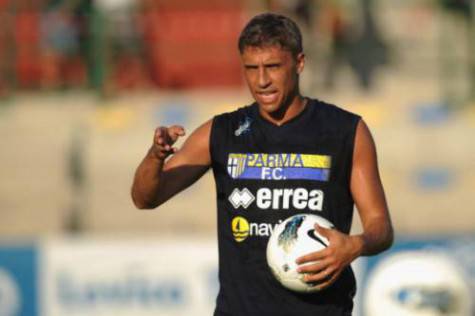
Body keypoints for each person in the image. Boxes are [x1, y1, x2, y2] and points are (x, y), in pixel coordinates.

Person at [131, 13, 393, 316]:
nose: (261, 81)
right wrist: (155, 157)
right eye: (251, 69)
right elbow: (145, 198)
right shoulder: (221, 133)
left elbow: (381, 227)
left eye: (272, 67)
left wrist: (356, 245)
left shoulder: (346, 131)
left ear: (300, 63)